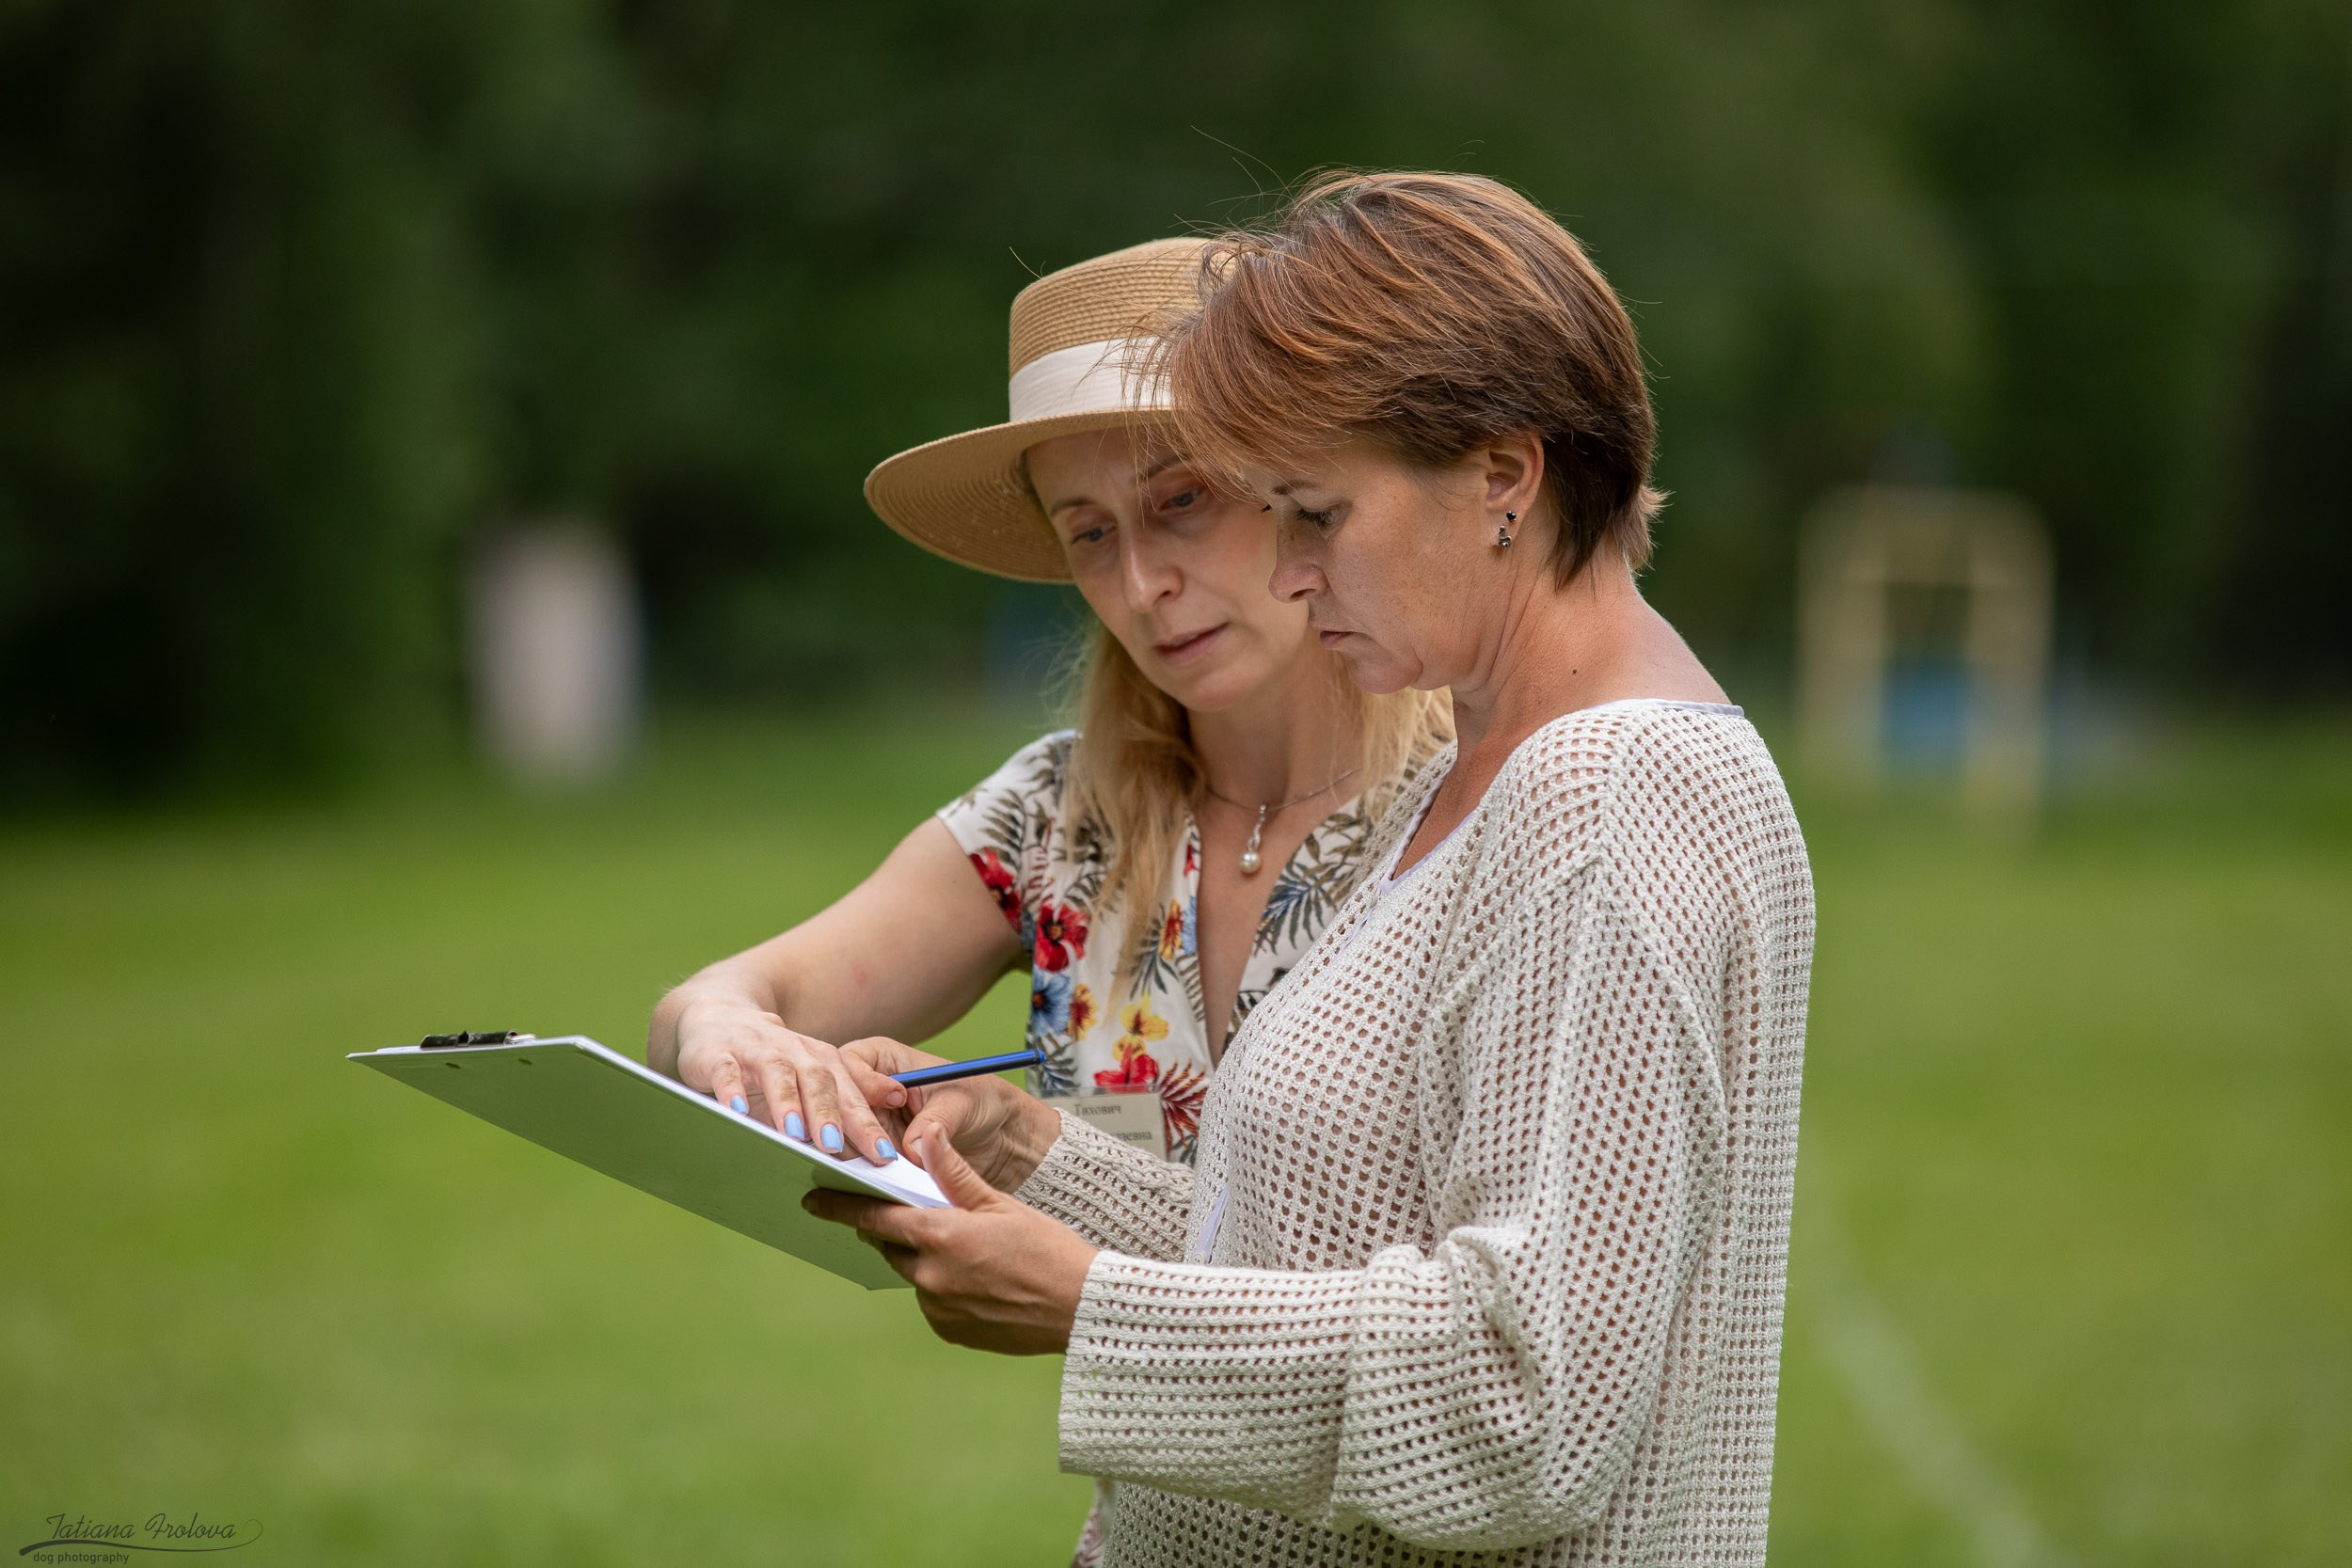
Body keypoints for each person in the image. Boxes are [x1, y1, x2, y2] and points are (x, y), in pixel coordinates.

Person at [807, 173, 1816, 1568]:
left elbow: (1527, 1404)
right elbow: (1318, 1238)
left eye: (1316, 514)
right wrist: (1028, 1157)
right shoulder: (1488, 763)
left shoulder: (1610, 795)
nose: (1285, 575)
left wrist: (1094, 1309)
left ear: (1503, 476)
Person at [644, 237, 1448, 1560]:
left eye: (1183, 500)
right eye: (1090, 534)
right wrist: (729, 1031)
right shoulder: (1055, 817)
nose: (1141, 585)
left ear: (1304, 488)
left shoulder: (1478, 812)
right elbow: (725, 997)